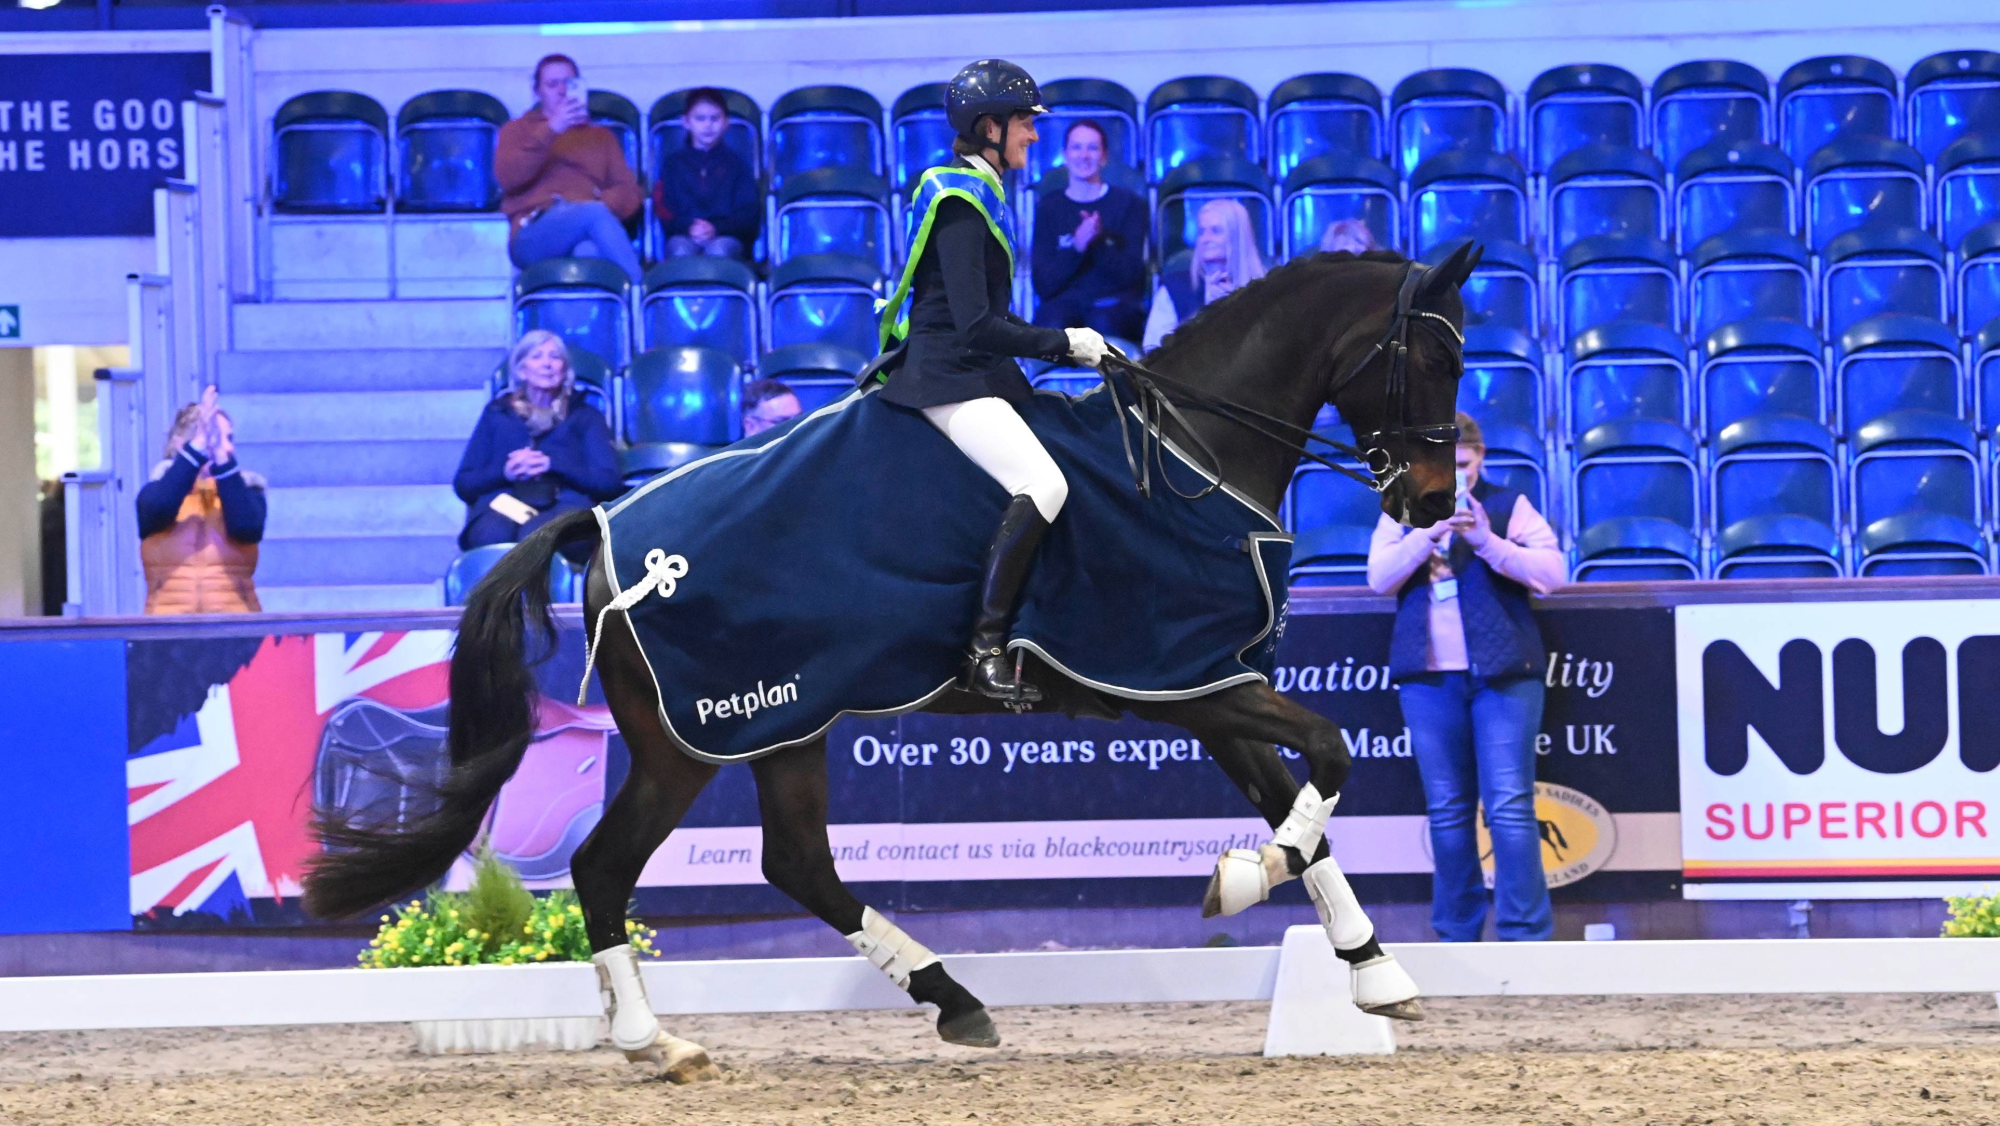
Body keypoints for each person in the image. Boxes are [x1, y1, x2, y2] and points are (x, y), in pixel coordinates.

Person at [875, 59, 1107, 703]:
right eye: (1026, 123)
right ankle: (983, 649)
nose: (1035, 135)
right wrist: (1065, 343)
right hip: (947, 376)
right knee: (1044, 482)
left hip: (978, 371)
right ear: (989, 127)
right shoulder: (959, 202)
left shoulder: (985, 192)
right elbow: (976, 324)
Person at [1366, 414, 1566, 942]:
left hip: (1504, 674)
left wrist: (1487, 542)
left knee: (1509, 804)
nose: (1455, 477)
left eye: (1463, 465)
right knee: (1449, 809)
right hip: (1430, 678)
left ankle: (1525, 935)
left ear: (1480, 458)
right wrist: (1424, 535)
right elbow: (1379, 579)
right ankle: (1456, 934)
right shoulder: (1402, 509)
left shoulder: (1508, 505)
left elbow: (1552, 575)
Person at [455, 330, 624, 562]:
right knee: (492, 535)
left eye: (555, 357)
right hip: (505, 502)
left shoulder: (586, 416)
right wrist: (504, 472)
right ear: (522, 370)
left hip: (565, 504)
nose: (547, 364)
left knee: (537, 536)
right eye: (536, 357)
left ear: (565, 369)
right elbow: (464, 483)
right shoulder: (498, 414)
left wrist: (552, 464)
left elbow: (609, 482)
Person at [496, 54, 644, 284]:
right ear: (537, 92)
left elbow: (630, 193)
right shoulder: (516, 130)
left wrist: (598, 202)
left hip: (587, 223)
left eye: (570, 83)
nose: (562, 91)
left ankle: (595, 320)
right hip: (533, 231)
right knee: (592, 214)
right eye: (552, 84)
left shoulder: (600, 137)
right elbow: (509, 178)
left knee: (589, 252)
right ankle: (641, 293)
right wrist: (551, 129)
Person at [137, 386, 266, 614]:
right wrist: (198, 447)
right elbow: (159, 509)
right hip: (166, 630)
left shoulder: (247, 490)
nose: (227, 445)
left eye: (228, 438)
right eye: (213, 437)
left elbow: (247, 527)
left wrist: (221, 458)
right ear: (179, 443)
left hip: (237, 629)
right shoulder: (156, 491)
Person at [1029, 119, 1149, 341]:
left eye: (1092, 148)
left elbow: (1133, 277)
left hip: (1114, 304)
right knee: (1053, 326)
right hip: (1063, 305)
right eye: (1076, 147)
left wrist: (1098, 242)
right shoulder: (1049, 207)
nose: (1084, 155)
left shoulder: (1129, 204)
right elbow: (1043, 285)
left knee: (1103, 324)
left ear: (1103, 156)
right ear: (1065, 155)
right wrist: (1077, 246)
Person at [1141, 198, 1266, 350]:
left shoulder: (1264, 287)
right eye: (1201, 232)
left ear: (1237, 237)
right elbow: (1153, 348)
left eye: (1216, 231)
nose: (1206, 239)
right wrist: (1206, 314)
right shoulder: (1175, 288)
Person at [655, 88, 760, 260]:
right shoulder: (673, 164)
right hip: (685, 234)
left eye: (715, 118)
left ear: (726, 123)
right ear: (686, 122)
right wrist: (689, 227)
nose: (707, 125)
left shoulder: (737, 165)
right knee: (679, 249)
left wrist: (716, 228)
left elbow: (748, 213)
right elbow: (665, 210)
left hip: (727, 236)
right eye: (700, 118)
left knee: (720, 250)